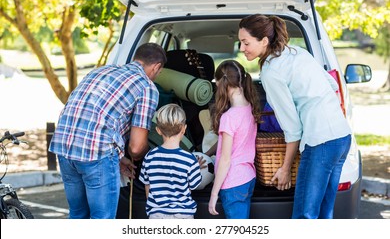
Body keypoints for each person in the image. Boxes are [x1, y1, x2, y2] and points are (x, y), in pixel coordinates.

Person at [238, 14, 352, 219]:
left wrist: (284, 168)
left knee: (304, 216)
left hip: (320, 142)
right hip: (342, 137)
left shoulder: (271, 71)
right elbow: (332, 85)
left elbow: (292, 128)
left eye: (245, 42)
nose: (241, 48)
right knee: (325, 213)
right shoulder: (297, 52)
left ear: (264, 41)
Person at [49, 42, 167, 219]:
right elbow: (136, 147)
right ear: (157, 67)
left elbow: (94, 117)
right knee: (102, 219)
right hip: (96, 154)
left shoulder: (101, 70)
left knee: (77, 213)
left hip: (63, 146)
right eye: (159, 72)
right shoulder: (147, 87)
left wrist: (119, 157)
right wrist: (152, 155)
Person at [208, 60, 261, 219]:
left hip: (232, 182)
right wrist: (207, 152)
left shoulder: (229, 117)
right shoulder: (250, 108)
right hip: (248, 176)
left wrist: (214, 193)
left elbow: (225, 159)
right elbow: (232, 143)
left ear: (220, 83)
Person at [139, 103, 202, 219]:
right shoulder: (190, 159)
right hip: (183, 215)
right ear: (184, 129)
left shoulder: (149, 157)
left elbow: (147, 185)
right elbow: (194, 185)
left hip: (156, 215)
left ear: (158, 130)